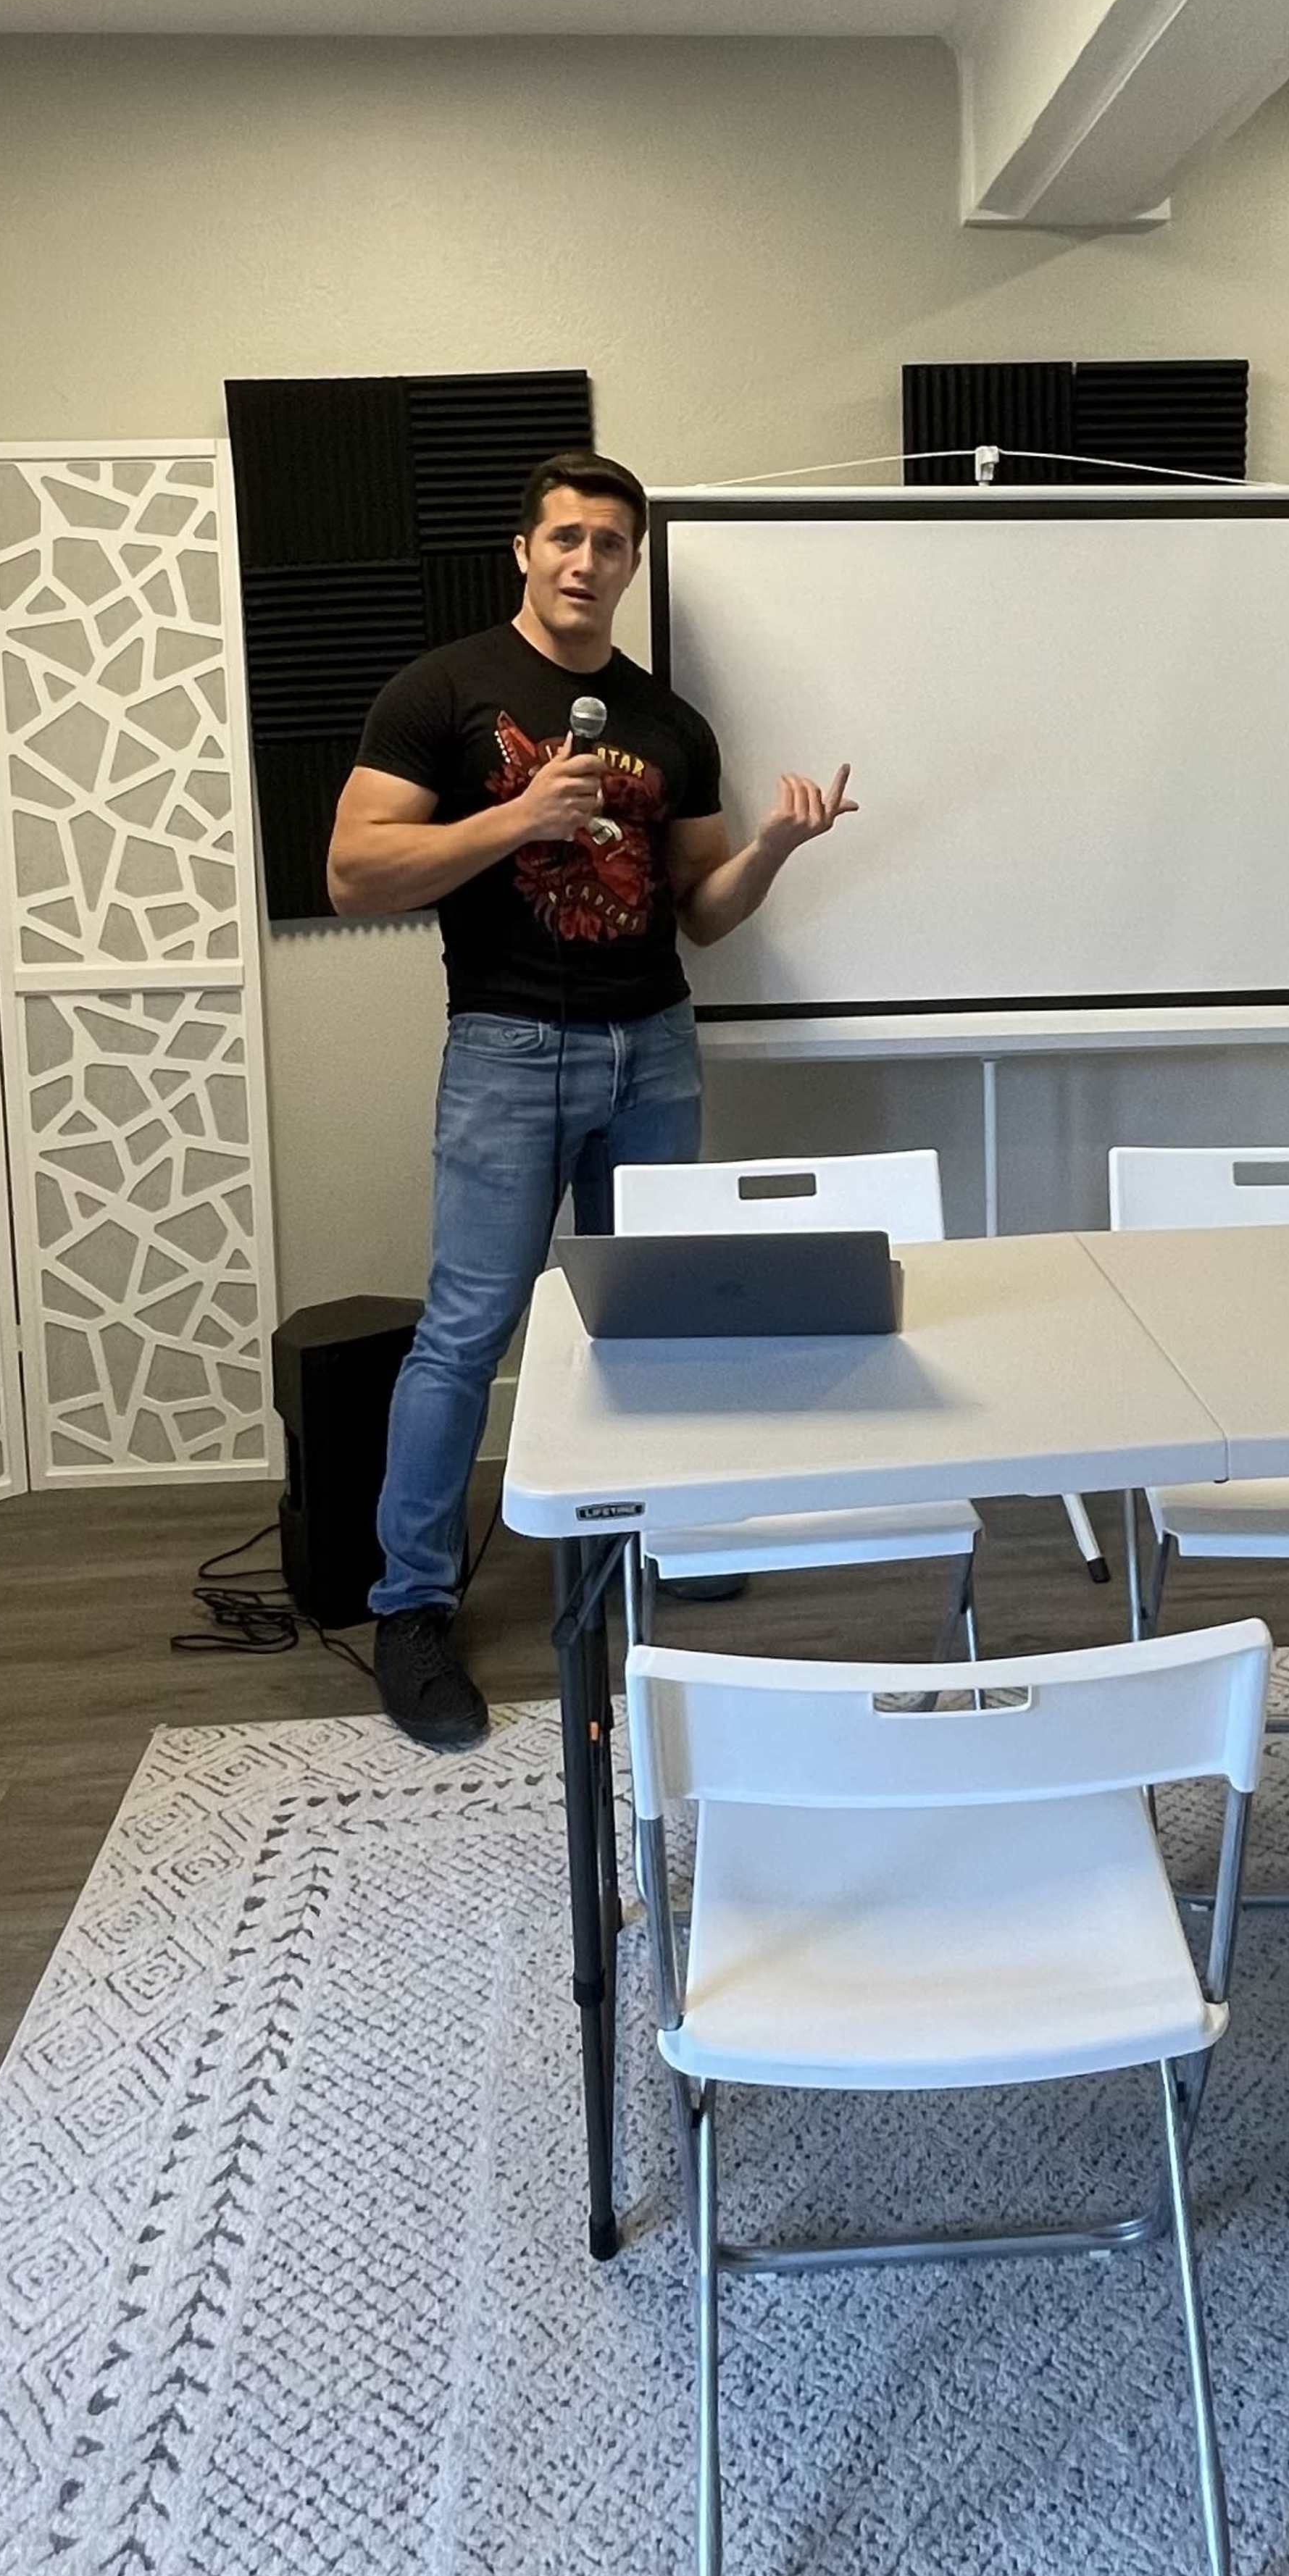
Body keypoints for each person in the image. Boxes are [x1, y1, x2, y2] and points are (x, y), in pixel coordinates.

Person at [328, 449, 856, 1752]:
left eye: (609, 543)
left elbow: (707, 915)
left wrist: (773, 851)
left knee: (656, 1322)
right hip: (510, 1049)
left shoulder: (668, 722)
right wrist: (513, 821)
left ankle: (655, 1542)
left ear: (632, 563)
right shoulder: (441, 691)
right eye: (564, 536)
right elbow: (353, 873)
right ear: (524, 549)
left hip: (654, 1049)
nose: (585, 560)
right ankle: (412, 1606)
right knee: (467, 1332)